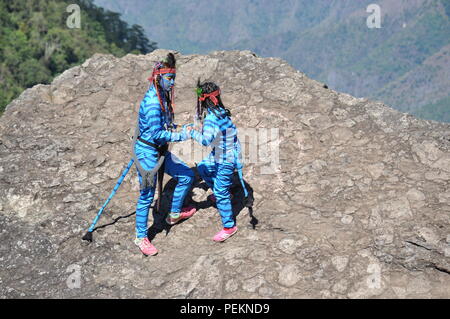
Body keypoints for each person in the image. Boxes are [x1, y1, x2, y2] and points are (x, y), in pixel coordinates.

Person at [132, 53, 196, 256]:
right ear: (159, 77)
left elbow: (164, 126)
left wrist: (181, 128)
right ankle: (141, 237)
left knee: (187, 175)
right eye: (169, 78)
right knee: (146, 195)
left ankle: (174, 213)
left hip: (158, 150)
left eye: (174, 78)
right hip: (148, 153)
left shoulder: (162, 97)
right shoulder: (153, 103)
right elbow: (157, 134)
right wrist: (182, 135)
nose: (173, 82)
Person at [186, 81, 247, 242]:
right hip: (224, 152)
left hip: (226, 158)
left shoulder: (211, 118)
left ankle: (229, 226)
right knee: (204, 168)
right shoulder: (221, 111)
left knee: (220, 192)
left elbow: (206, 141)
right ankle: (226, 192)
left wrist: (192, 132)